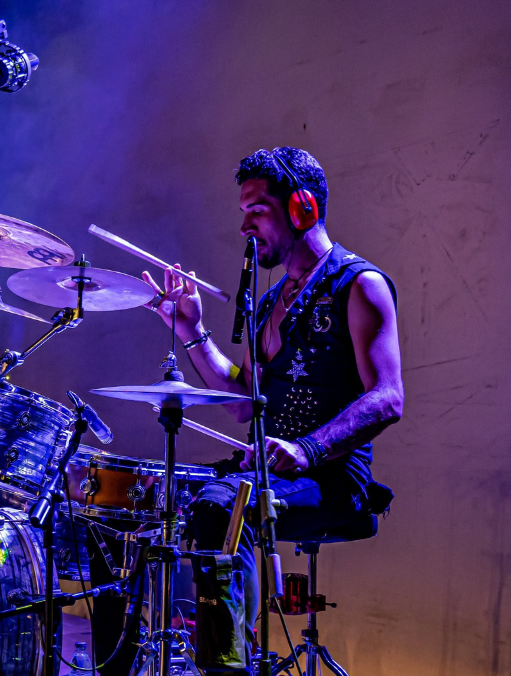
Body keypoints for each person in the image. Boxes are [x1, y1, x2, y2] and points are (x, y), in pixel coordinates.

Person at [140, 147, 405, 674]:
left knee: (222, 508)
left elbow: (387, 397)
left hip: (331, 480)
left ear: (302, 209)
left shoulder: (359, 286)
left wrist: (307, 449)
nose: (244, 226)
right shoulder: (270, 303)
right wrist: (192, 329)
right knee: (160, 493)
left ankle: (226, 665)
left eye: (256, 210)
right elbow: (243, 403)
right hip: (266, 475)